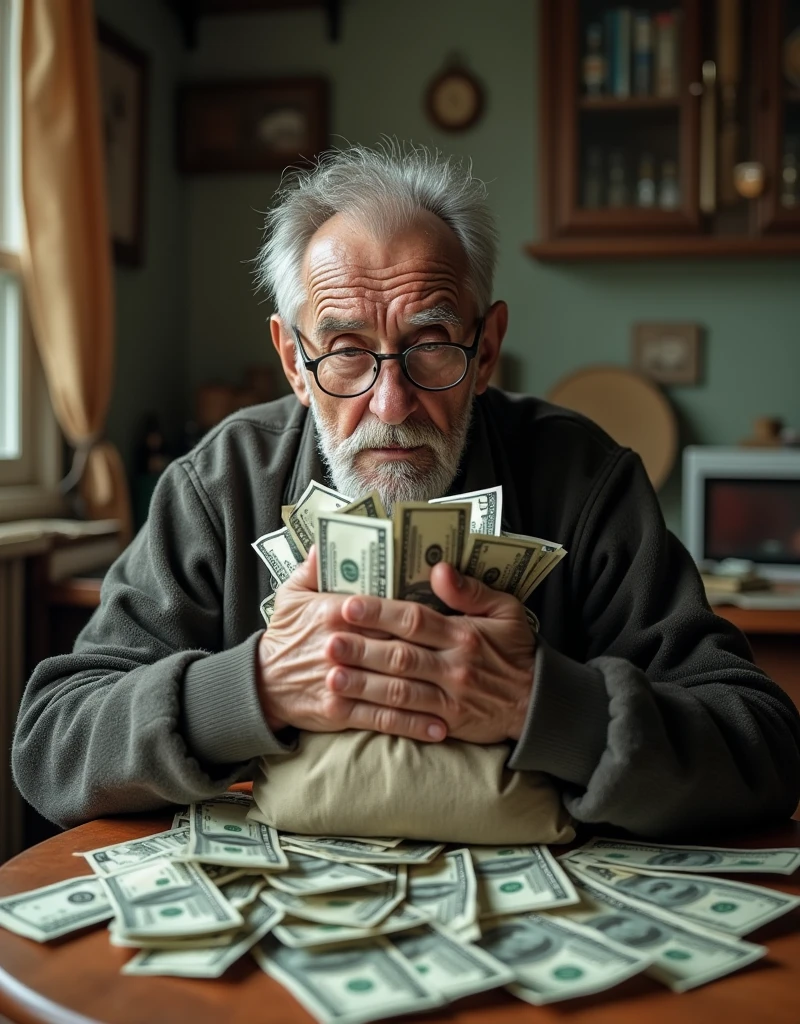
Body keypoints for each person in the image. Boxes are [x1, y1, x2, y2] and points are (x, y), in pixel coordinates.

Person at [12, 144, 800, 836]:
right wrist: (251, 687)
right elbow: (50, 743)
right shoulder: (218, 485)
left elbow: (762, 745)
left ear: (486, 348)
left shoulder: (585, 479)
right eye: (347, 352)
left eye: (430, 346)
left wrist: (541, 704)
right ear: (293, 359)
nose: (391, 406)